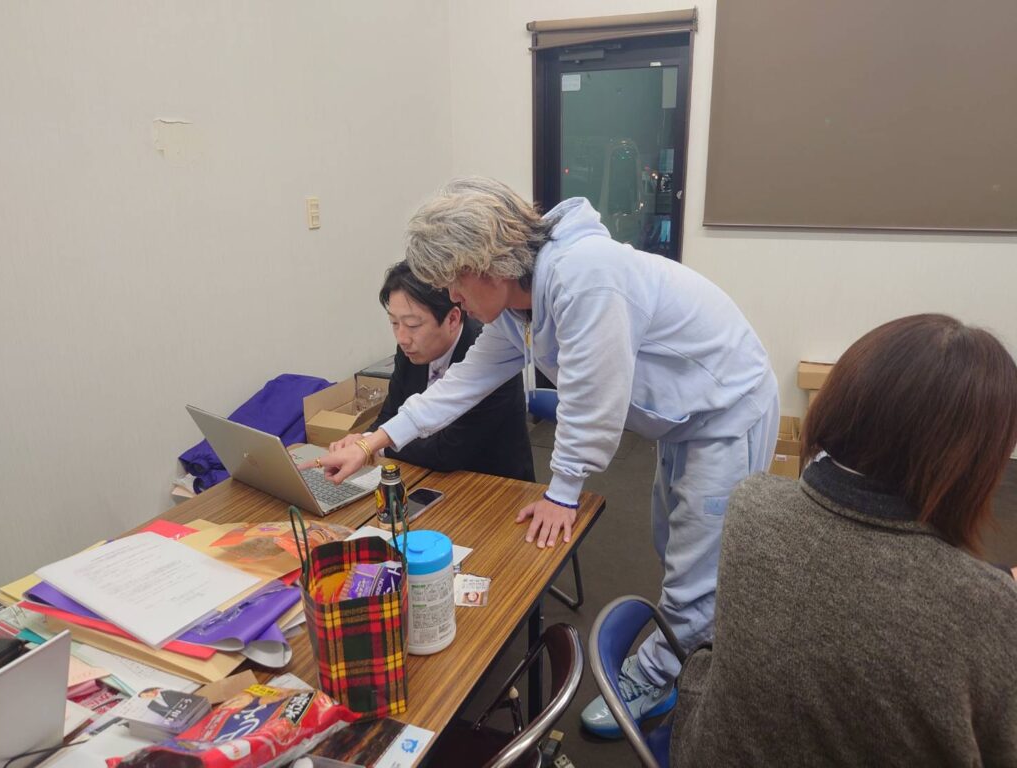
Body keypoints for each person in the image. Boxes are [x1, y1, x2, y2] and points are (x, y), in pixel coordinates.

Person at [305, 177, 779, 735]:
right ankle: (690, 643)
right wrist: (372, 441)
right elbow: (462, 384)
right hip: (681, 419)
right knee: (673, 542)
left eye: (454, 284)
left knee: (699, 563)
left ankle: (662, 678)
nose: (453, 299)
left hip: (727, 409)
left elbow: (592, 400)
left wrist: (564, 492)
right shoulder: (518, 305)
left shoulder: (587, 276)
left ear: (485, 266)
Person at [671, 314, 1017, 765]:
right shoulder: (987, 609)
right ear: (973, 462)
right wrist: (994, 595)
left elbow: (857, 592)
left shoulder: (752, 505)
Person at [369, 261, 534, 481]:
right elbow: (390, 414)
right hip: (426, 475)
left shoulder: (491, 353)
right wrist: (363, 440)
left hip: (491, 484)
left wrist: (378, 445)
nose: (402, 338)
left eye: (412, 325)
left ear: (453, 318)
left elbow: (447, 452)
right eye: (394, 323)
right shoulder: (411, 350)